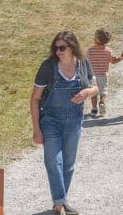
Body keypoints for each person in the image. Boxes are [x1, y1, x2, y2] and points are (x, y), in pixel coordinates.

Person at [30, 30, 97, 214]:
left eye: (62, 48)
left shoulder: (83, 64)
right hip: (51, 120)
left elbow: (95, 87)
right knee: (53, 162)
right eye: (55, 47)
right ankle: (61, 200)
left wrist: (87, 93)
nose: (58, 51)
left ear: (73, 47)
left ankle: (59, 204)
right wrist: (36, 129)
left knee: (69, 164)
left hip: (75, 120)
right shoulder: (48, 66)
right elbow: (35, 99)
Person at [86, 28, 122, 118]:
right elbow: (113, 61)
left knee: (93, 93)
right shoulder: (108, 51)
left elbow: (86, 62)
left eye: (95, 36)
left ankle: (94, 109)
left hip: (92, 76)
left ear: (97, 39)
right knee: (103, 92)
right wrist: (121, 58)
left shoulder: (90, 50)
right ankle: (102, 103)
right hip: (103, 75)